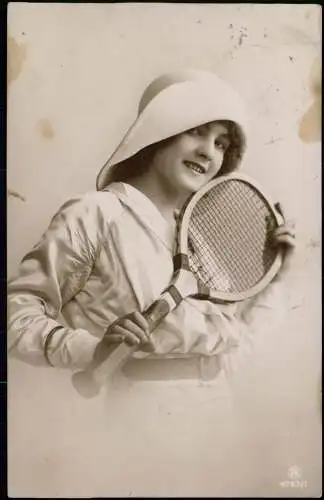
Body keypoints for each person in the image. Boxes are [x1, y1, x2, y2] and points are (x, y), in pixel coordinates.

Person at [7, 69, 296, 382]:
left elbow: (234, 349)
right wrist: (91, 351)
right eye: (197, 131)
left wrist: (276, 280)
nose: (208, 152)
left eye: (221, 144)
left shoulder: (198, 241)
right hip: (134, 416)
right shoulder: (96, 213)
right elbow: (15, 317)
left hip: (216, 417)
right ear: (161, 131)